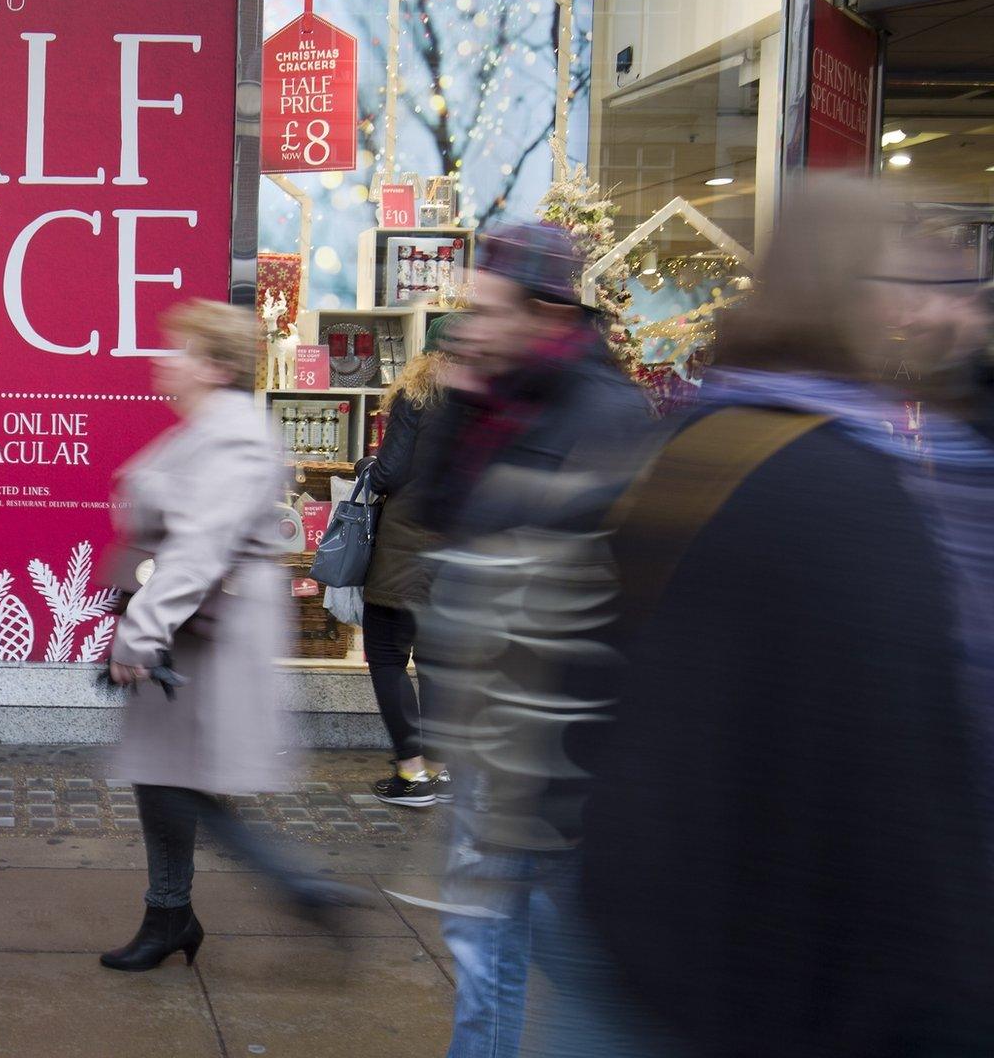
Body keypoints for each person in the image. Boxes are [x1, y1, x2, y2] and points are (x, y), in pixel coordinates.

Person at [572, 182, 994, 1058]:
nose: (926, 307)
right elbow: (902, 773)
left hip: (670, 922)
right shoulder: (844, 485)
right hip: (783, 959)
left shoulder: (706, 439)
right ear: (854, 293)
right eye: (907, 281)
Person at [408, 222, 655, 1058]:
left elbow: (587, 567)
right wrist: (466, 394)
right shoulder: (500, 398)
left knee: (550, 941)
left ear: (546, 310)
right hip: (495, 722)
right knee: (483, 935)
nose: (474, 323)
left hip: (558, 737)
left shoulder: (607, 410)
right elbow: (435, 512)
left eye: (489, 307)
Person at [98, 299, 368, 976]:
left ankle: (295, 889)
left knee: (180, 780)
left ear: (215, 366)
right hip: (191, 631)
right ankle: (171, 913)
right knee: (164, 777)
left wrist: (141, 632)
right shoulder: (206, 428)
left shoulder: (232, 436)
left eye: (180, 349)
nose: (165, 358)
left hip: (205, 638)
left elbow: (199, 547)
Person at [359, 312, 463, 806]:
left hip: (408, 547)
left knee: (386, 655)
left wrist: (368, 470)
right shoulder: (489, 406)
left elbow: (390, 470)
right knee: (439, 661)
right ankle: (441, 770)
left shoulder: (417, 395)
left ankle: (412, 773)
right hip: (461, 551)